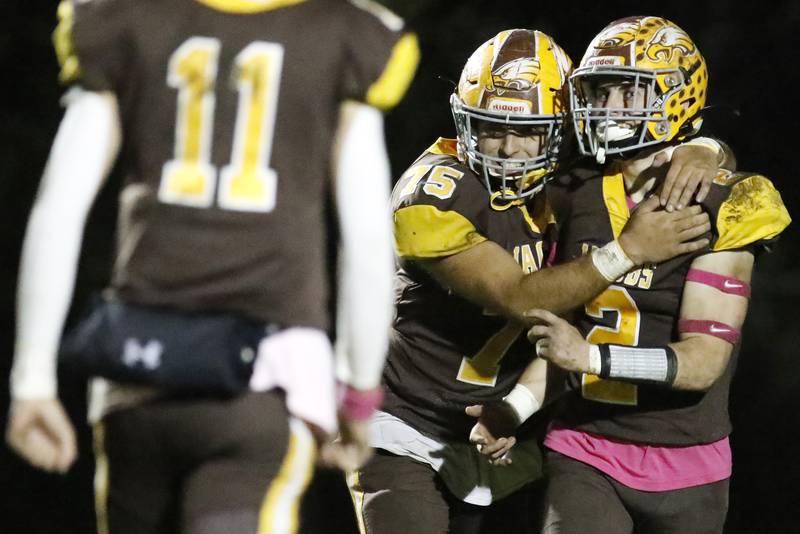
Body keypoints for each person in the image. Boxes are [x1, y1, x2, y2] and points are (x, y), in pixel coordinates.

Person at [5, 1, 419, 533]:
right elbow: (365, 239)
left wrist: (32, 381)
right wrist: (357, 392)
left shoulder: (127, 16)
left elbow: (58, 207)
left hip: (135, 367)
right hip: (264, 379)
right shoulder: (345, 31)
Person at [347, 28, 725, 534]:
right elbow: (517, 299)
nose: (508, 149)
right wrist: (628, 250)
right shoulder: (431, 197)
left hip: (511, 430)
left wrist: (704, 147)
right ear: (464, 125)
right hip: (408, 419)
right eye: (490, 129)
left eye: (528, 132)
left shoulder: (567, 179)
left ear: (561, 131)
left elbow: (665, 150)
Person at [493, 16, 791, 534]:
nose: (608, 108)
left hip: (687, 463)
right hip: (584, 445)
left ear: (676, 96)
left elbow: (701, 365)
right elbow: (560, 338)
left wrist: (588, 357)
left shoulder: (727, 202)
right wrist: (512, 410)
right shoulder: (570, 190)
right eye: (601, 91)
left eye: (627, 93)